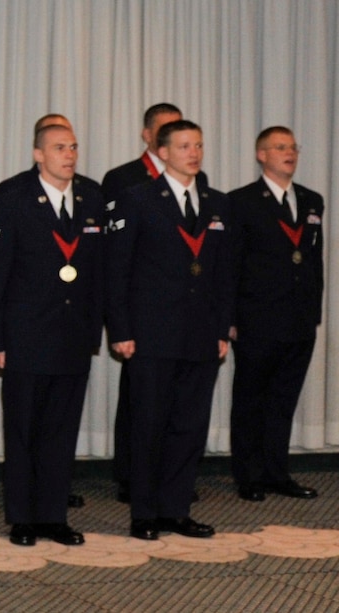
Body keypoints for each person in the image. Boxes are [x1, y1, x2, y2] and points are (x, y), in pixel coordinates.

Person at [0, 123, 104, 547]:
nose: (69, 155)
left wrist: (94, 329)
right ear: (38, 154)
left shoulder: (91, 198)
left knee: (61, 432)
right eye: (59, 147)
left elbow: (99, 271)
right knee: (24, 431)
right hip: (25, 335)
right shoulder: (11, 198)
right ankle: (23, 518)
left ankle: (53, 516)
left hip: (73, 334)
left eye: (73, 147)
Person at [105, 119, 230, 541]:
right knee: (149, 425)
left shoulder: (216, 203)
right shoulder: (137, 198)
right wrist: (120, 329)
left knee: (189, 427)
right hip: (151, 333)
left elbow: (223, 273)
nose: (194, 153)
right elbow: (118, 270)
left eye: (198, 145)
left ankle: (176, 510)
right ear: (162, 152)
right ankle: (144, 513)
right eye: (184, 146)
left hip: (200, 334)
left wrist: (222, 329)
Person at [227, 126, 323, 503]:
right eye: (280, 147)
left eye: (293, 147)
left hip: (299, 317)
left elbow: (313, 260)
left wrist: (314, 310)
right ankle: (249, 475)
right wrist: (230, 317)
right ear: (261, 155)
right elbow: (231, 264)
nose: (290, 153)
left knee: (284, 399)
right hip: (257, 317)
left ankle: (276, 472)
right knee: (251, 398)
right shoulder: (241, 202)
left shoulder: (311, 200)